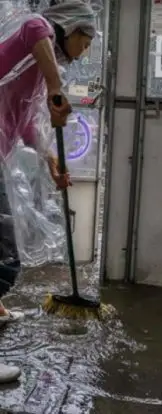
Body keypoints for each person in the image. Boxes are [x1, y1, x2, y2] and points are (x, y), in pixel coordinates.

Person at [0, 0, 96, 383]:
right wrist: (56, 87)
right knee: (4, 250)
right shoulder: (37, 32)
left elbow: (25, 121)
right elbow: (35, 27)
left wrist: (51, 160)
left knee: (3, 248)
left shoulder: (36, 70)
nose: (83, 52)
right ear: (71, 29)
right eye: (84, 43)